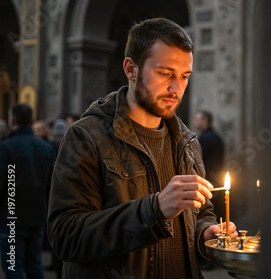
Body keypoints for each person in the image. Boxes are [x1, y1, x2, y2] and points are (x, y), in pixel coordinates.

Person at [47, 18, 237, 279]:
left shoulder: (187, 141)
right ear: (130, 68)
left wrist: (206, 233)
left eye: (184, 76)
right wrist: (154, 210)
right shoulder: (86, 137)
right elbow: (66, 237)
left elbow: (201, 214)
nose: (176, 88)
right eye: (165, 73)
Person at [0, 104, 56, 279]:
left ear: (12, 121)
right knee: (34, 264)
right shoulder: (46, 148)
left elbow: (4, 184)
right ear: (32, 121)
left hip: (11, 217)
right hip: (38, 214)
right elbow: (52, 185)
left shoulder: (6, 148)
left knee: (13, 266)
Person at [193, 111, 225, 219]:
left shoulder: (205, 139)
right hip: (217, 179)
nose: (194, 122)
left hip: (207, 181)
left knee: (208, 214)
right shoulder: (217, 137)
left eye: (197, 120)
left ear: (205, 120)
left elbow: (197, 161)